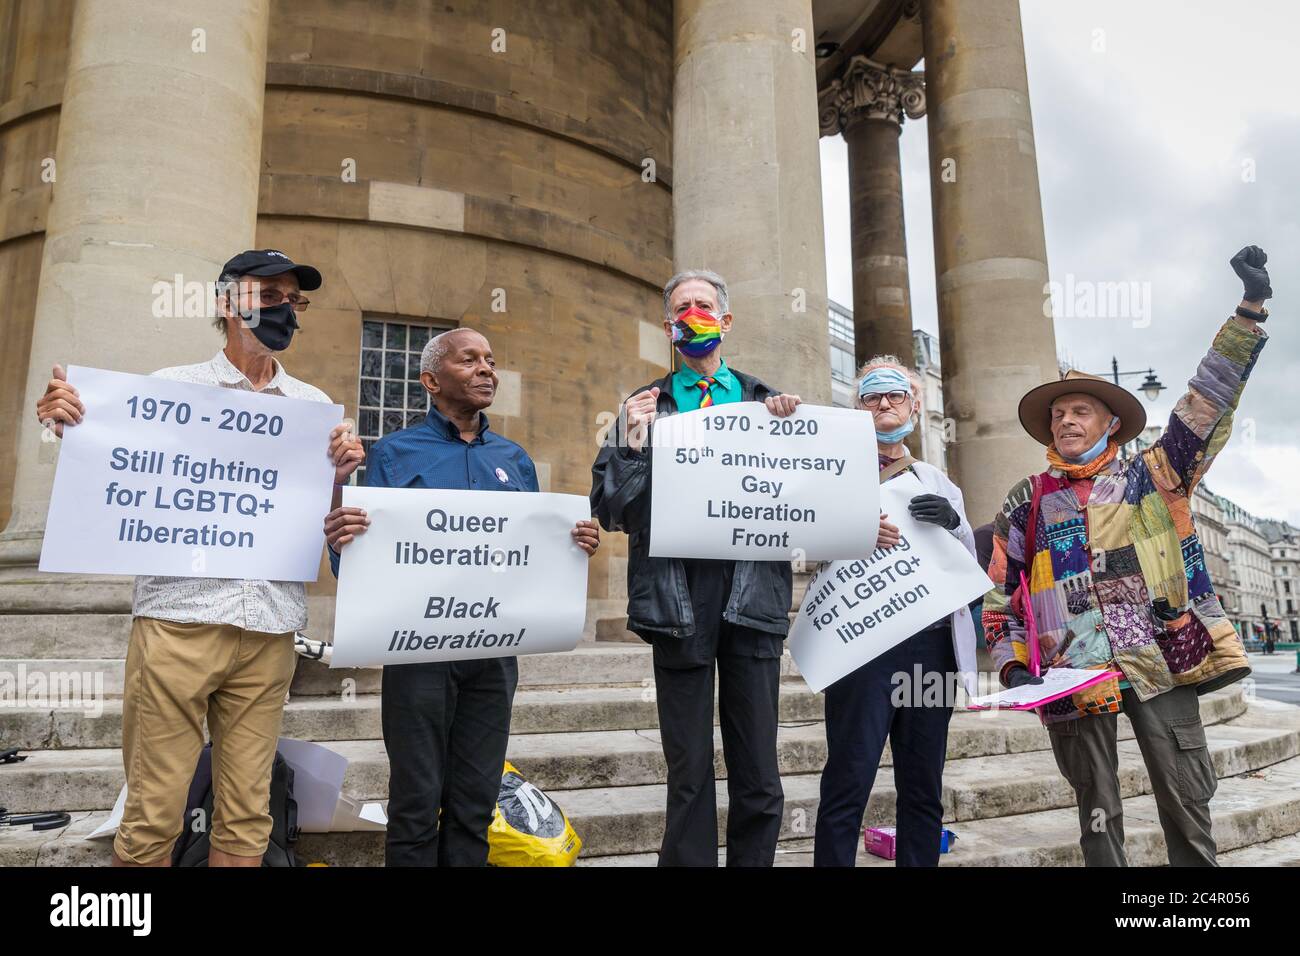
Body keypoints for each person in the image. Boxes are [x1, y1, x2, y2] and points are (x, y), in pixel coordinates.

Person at [35, 249, 363, 866]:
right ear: (227, 303)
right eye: (270, 296)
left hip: (269, 628)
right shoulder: (171, 388)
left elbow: (322, 522)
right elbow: (112, 466)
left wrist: (344, 477)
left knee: (247, 817)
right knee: (153, 812)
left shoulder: (313, 405)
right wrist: (63, 422)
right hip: (179, 621)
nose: (285, 310)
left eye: (294, 300)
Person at [982, 246, 1271, 866]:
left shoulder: (1157, 475)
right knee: (1096, 810)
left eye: (1079, 411)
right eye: (1058, 415)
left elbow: (1206, 403)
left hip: (1162, 655)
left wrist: (1247, 314)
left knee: (1186, 797)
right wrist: (1011, 666)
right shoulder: (1027, 499)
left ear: (1111, 423)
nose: (1065, 421)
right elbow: (1000, 597)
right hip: (1071, 670)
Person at [323, 328, 600, 867]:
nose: (486, 370)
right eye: (469, 360)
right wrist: (341, 534)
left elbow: (530, 553)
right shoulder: (395, 454)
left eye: (491, 361)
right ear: (430, 380)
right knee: (415, 805)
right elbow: (354, 564)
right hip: (418, 655)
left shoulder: (514, 459)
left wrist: (574, 546)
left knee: (475, 806)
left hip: (493, 656)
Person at [590, 268, 803, 867]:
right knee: (688, 767)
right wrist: (632, 447)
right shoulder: (640, 406)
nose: (692, 315)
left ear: (726, 321)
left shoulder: (768, 403)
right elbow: (610, 512)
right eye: (681, 308)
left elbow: (806, 501)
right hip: (677, 596)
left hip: (752, 594)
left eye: (704, 305)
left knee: (758, 765)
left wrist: (796, 437)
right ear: (668, 328)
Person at [813, 358, 980, 866]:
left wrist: (954, 523)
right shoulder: (832, 472)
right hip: (863, 647)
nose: (884, 405)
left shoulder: (937, 480)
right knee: (848, 778)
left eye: (895, 395)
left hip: (931, 649)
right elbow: (802, 542)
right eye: (871, 396)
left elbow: (967, 567)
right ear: (858, 406)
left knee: (924, 784)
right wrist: (851, 529)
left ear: (914, 404)